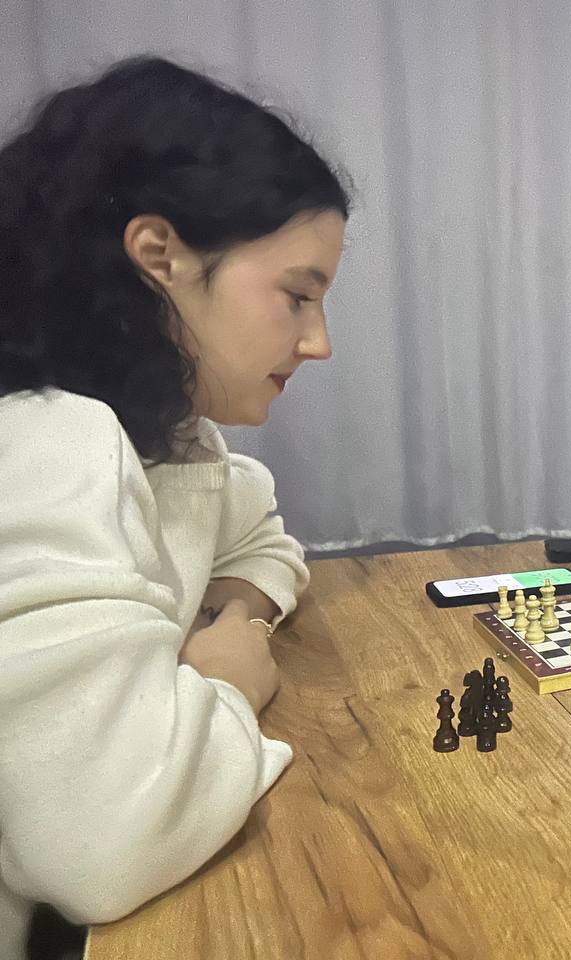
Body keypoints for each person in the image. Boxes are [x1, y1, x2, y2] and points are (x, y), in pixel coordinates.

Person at [0, 57, 349, 958]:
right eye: (298, 296)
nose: (318, 341)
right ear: (160, 255)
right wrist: (227, 677)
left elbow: (260, 535)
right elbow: (101, 842)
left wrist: (234, 612)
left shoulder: (172, 441)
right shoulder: (44, 440)